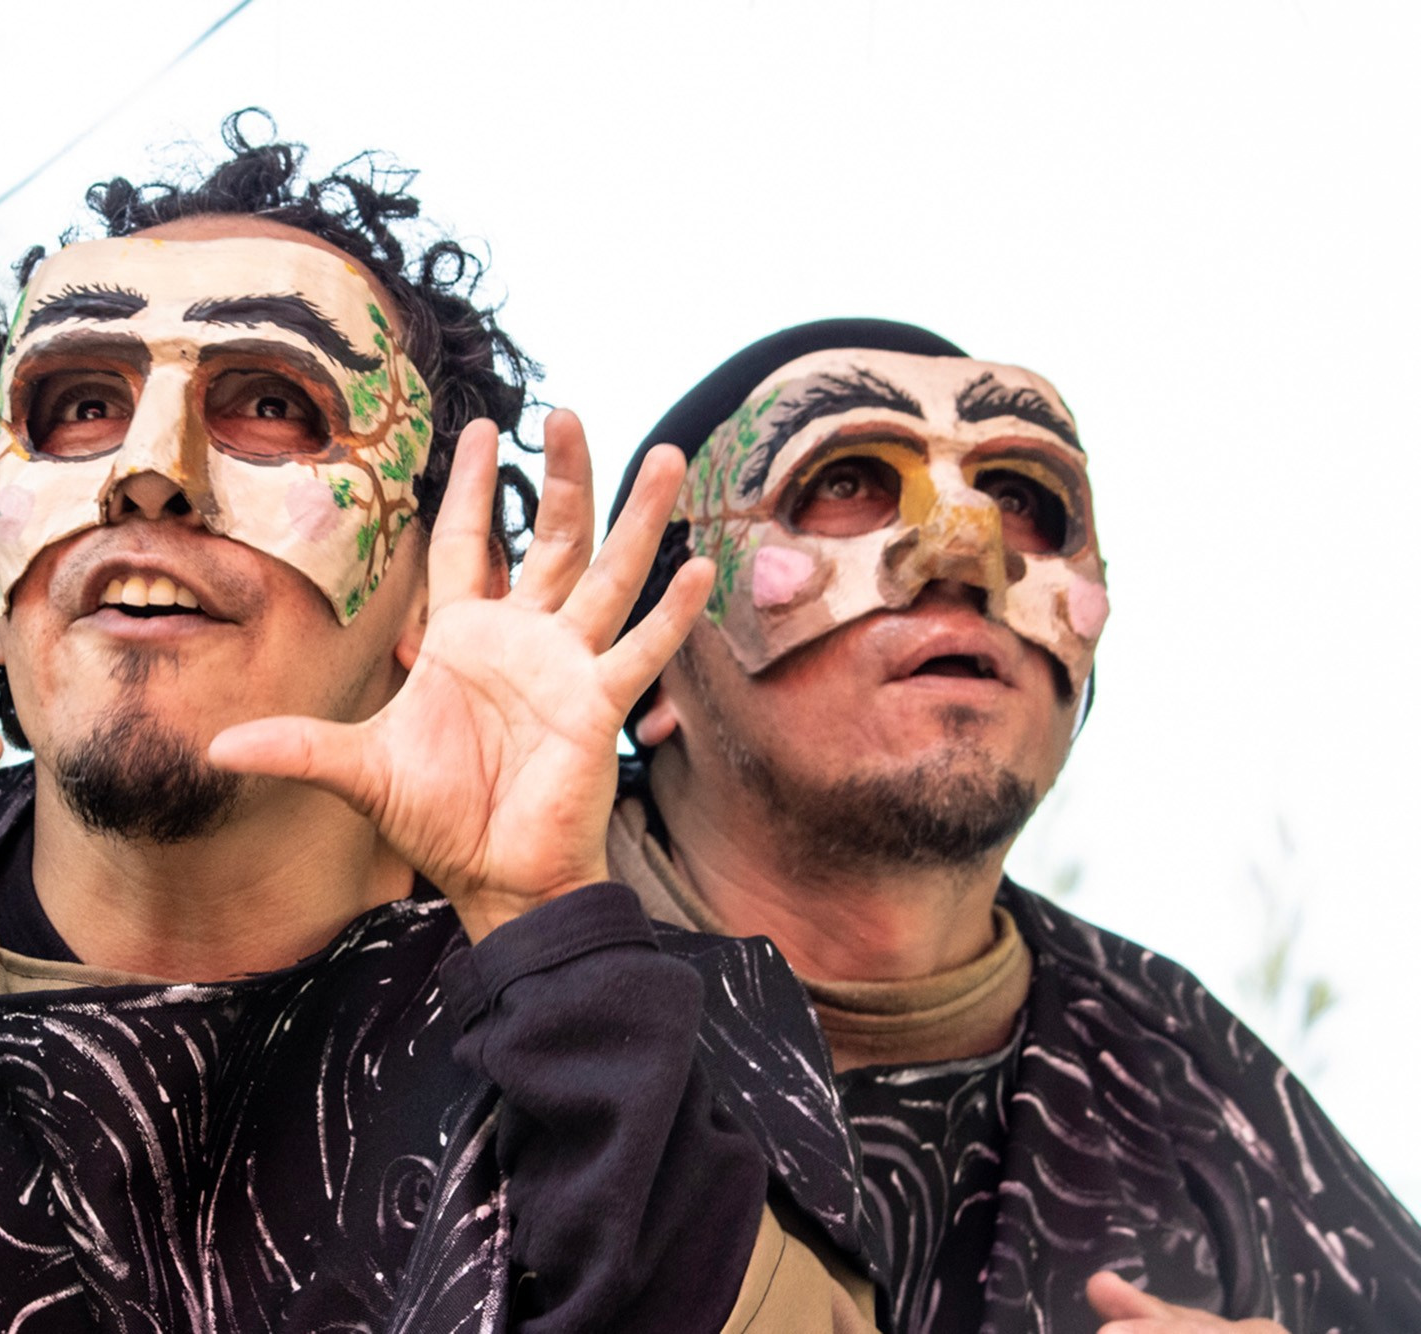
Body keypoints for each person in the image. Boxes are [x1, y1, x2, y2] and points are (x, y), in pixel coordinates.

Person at [0, 131, 880, 1333]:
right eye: (77, 406)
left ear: (430, 579)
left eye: (268, 404)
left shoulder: (653, 1011)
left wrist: (537, 919)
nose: (150, 475)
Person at [604, 318, 1421, 1332]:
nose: (965, 548)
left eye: (1024, 499)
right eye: (847, 480)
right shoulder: (447, 982)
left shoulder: (1194, 1089)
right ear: (649, 664)